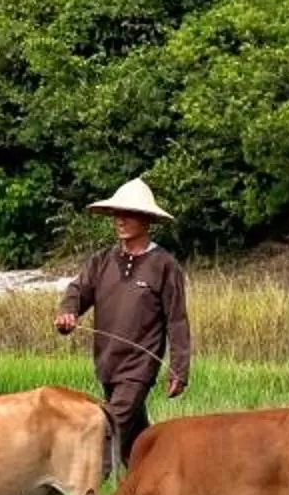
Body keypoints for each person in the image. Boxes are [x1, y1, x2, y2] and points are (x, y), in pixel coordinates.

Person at [53, 177, 190, 474]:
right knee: (136, 445)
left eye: (128, 213)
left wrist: (180, 369)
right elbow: (78, 292)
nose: (120, 220)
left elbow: (177, 321)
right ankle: (160, 490)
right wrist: (68, 313)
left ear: (147, 219)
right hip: (107, 365)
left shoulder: (164, 265)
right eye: (117, 213)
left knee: (107, 430)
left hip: (138, 369)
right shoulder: (102, 261)